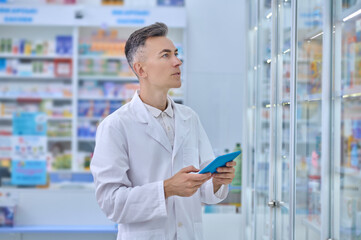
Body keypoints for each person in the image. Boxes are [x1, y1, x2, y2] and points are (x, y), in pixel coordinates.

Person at [90, 22, 236, 240]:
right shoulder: (116, 125)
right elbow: (111, 204)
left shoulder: (190, 118)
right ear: (141, 69)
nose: (178, 62)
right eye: (166, 55)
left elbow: (204, 190)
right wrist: (166, 188)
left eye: (176, 54)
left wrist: (216, 181)